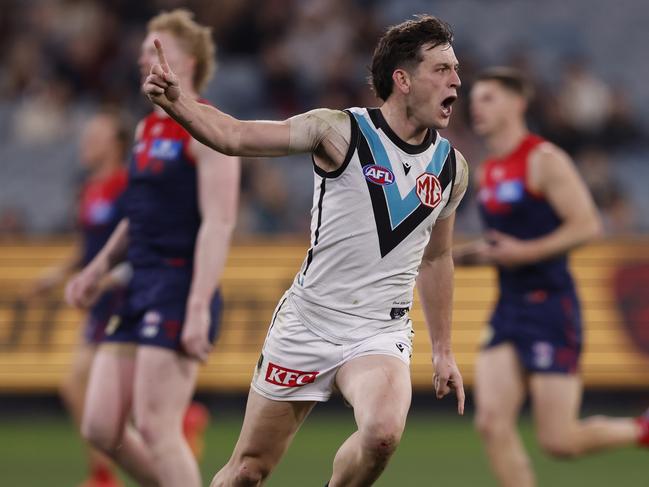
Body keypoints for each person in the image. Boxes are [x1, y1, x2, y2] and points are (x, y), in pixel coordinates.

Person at [144, 14, 468, 487]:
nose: (456, 79)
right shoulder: (337, 131)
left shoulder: (450, 168)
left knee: (381, 434)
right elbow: (235, 136)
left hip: (379, 330)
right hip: (308, 323)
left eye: (455, 68)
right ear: (402, 80)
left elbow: (437, 257)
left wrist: (443, 351)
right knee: (248, 471)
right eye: (441, 69)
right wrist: (179, 103)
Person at [66, 9, 240, 487]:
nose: (142, 56)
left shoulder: (208, 125)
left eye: (153, 48)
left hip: (178, 283)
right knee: (101, 425)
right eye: (143, 49)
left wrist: (199, 305)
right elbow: (136, 215)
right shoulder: (145, 130)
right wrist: (96, 268)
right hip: (137, 283)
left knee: (157, 426)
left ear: (185, 59)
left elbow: (220, 222)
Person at [456, 67, 649, 487]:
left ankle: (643, 430)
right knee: (490, 422)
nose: (477, 108)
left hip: (550, 307)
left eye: (488, 99)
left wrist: (523, 253)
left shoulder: (543, 159)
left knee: (559, 441)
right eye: (474, 101)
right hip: (507, 308)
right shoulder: (488, 170)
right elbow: (500, 244)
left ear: (518, 103)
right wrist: (462, 258)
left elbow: (587, 225)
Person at [26, 109, 129, 487]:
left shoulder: (126, 185)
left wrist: (108, 280)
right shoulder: (89, 189)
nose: (86, 143)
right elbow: (87, 249)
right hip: (99, 302)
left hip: (125, 298)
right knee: (84, 386)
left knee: (79, 384)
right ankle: (104, 471)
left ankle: (105, 473)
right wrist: (55, 276)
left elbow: (135, 244)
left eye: (95, 137)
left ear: (116, 144)